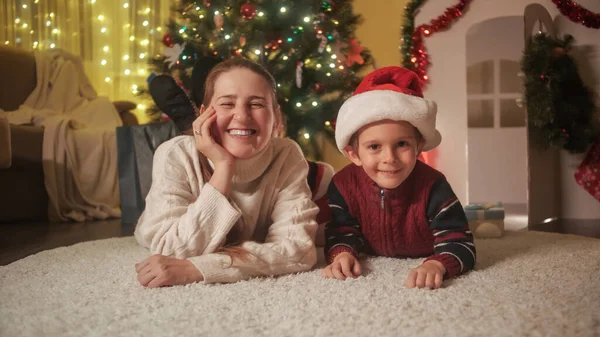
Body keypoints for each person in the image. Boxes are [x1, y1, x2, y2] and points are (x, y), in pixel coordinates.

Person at [134, 58, 319, 287]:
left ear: (276, 118)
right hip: (162, 222)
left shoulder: (288, 155)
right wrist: (223, 168)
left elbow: (298, 250)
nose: (242, 116)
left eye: (257, 104)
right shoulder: (175, 154)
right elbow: (171, 253)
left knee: (324, 182)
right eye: (227, 104)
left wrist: (200, 267)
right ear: (203, 114)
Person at [322, 66, 476, 289]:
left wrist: (437, 264)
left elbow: (460, 241)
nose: (390, 158)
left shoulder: (434, 185)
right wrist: (342, 255)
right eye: (374, 146)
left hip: (424, 251)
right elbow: (341, 231)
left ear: (418, 146)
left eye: (402, 144)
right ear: (354, 154)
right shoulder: (343, 185)